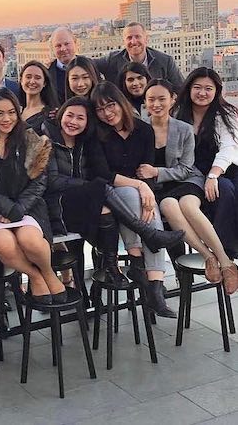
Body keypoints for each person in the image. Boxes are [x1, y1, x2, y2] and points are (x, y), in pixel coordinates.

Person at [43, 97, 184, 289]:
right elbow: (52, 181)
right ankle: (148, 233)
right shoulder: (48, 141)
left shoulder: (85, 143)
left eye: (80, 118)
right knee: (101, 186)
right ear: (61, 116)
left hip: (81, 203)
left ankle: (111, 267)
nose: (73, 122)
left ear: (87, 123)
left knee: (106, 210)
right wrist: (88, 185)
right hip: (56, 206)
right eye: (70, 116)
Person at [0, 88, 65, 304]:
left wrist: (19, 208)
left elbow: (39, 181)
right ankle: (35, 277)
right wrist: (7, 208)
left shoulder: (29, 138)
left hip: (27, 207)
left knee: (31, 241)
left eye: (11, 112)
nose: (6, 119)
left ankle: (48, 272)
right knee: (5, 244)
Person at [138, 79, 238, 294]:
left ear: (173, 100)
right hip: (160, 189)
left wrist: (157, 172)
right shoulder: (140, 130)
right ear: (145, 103)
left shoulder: (183, 129)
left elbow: (186, 167)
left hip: (187, 180)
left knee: (189, 206)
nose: (157, 104)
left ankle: (226, 261)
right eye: (151, 100)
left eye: (162, 99)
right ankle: (209, 256)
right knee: (168, 207)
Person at [91, 81, 177, 317]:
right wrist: (140, 186)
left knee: (146, 205)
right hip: (112, 194)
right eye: (100, 109)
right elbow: (103, 174)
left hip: (139, 194)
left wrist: (146, 189)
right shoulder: (96, 135)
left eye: (110, 105)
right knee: (132, 194)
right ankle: (146, 272)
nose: (107, 113)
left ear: (121, 102)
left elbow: (146, 169)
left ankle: (152, 285)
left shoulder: (143, 130)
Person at [175, 67, 238, 261]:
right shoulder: (177, 114)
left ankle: (227, 250)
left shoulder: (225, 114)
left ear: (217, 91)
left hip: (223, 169)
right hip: (192, 174)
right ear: (189, 88)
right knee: (223, 189)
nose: (202, 93)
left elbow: (229, 147)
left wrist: (213, 175)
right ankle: (224, 252)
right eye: (197, 87)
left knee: (225, 186)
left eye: (208, 88)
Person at [94, 22, 184, 89]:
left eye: (137, 36)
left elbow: (181, 89)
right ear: (123, 42)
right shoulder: (112, 60)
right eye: (129, 38)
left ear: (146, 39)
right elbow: (87, 64)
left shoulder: (165, 61)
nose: (133, 41)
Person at [19, 60, 60, 132]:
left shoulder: (51, 114)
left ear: (44, 83)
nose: (32, 81)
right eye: (28, 77)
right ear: (21, 81)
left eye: (37, 78)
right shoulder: (16, 111)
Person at [48, 27, 78, 104]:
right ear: (52, 49)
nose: (63, 49)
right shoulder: (47, 73)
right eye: (58, 45)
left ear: (75, 43)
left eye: (67, 44)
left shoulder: (89, 67)